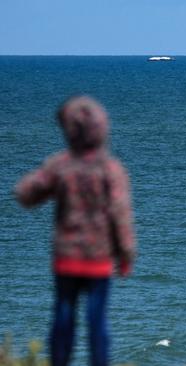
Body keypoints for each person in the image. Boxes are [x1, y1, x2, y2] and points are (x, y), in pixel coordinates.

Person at [14, 96, 136, 366]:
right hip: (99, 258)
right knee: (97, 320)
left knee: (63, 315)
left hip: (66, 257)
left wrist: (42, 183)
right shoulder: (111, 169)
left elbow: (25, 193)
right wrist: (126, 254)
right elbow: (120, 214)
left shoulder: (61, 165)